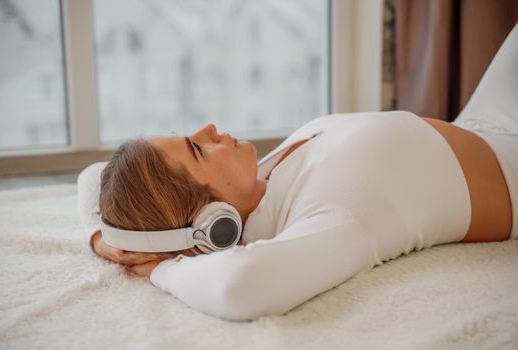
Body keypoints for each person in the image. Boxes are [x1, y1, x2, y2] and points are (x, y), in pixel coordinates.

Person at [78, 24, 518, 321]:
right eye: (196, 149)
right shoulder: (331, 214)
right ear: (211, 222)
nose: (208, 128)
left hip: (482, 121)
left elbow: (92, 176)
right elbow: (243, 288)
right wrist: (156, 268)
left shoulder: (260, 185)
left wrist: (109, 239)